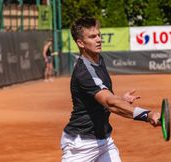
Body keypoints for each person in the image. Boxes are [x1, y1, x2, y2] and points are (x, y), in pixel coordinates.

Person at [61, 17, 161, 162]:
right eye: (92, 37)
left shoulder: (98, 59)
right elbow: (110, 103)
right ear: (81, 43)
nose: (99, 39)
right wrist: (147, 115)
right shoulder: (84, 72)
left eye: (99, 35)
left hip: (104, 141)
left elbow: (103, 98)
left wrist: (121, 99)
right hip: (81, 144)